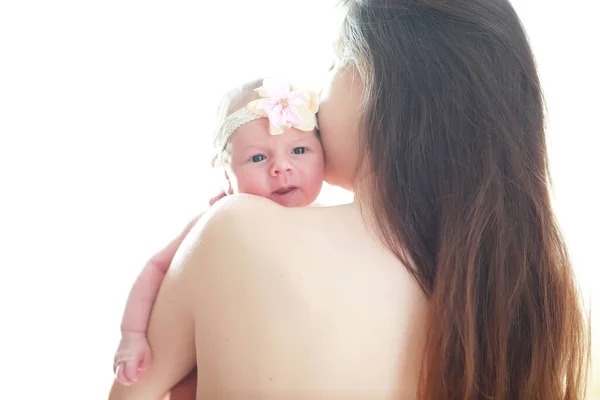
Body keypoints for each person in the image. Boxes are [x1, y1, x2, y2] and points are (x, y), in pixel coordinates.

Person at [109, 0, 590, 398]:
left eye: (336, 63)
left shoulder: (241, 227)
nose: (316, 96)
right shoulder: (513, 294)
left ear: (381, 85)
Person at [112, 77, 325, 386]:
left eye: (300, 150)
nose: (281, 167)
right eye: (258, 157)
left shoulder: (328, 221)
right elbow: (157, 266)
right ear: (227, 175)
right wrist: (131, 336)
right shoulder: (216, 221)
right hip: (205, 355)